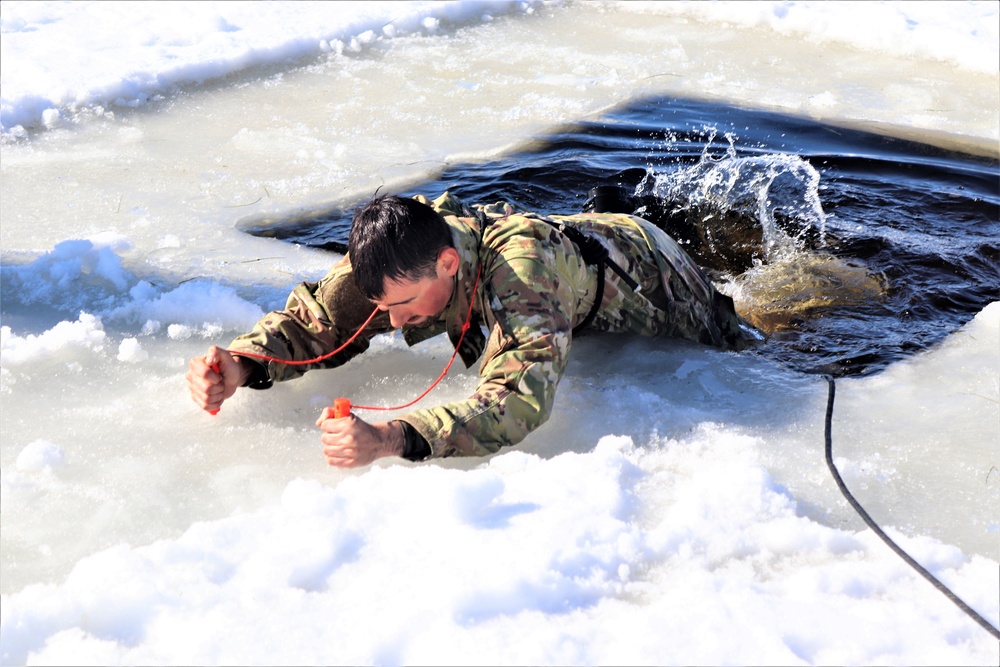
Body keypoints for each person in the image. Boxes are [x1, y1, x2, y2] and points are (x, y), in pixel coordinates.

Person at [186, 192, 756, 468]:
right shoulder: (390, 259)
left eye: (405, 305)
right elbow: (322, 319)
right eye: (385, 307)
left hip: (649, 272)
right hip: (566, 261)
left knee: (753, 335)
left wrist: (393, 437)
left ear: (448, 265)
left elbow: (517, 401)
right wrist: (242, 363)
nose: (392, 321)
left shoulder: (523, 275)